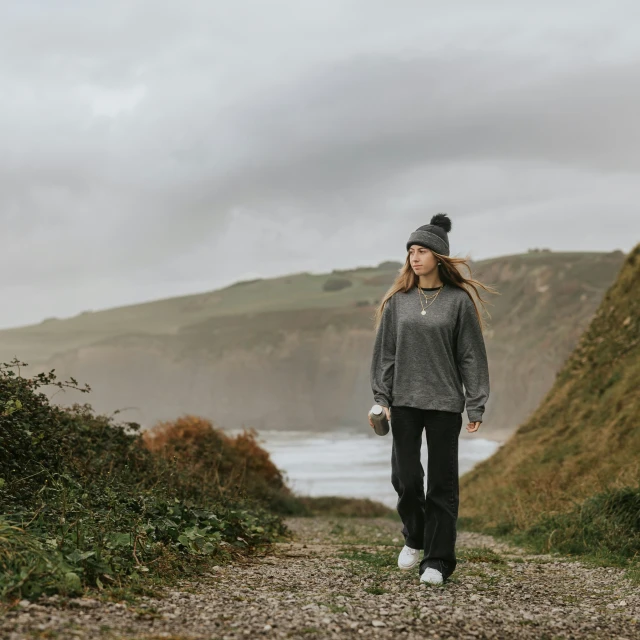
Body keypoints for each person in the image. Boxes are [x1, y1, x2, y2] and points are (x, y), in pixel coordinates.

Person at [368, 213, 497, 585]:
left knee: (442, 485)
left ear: (438, 257)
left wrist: (476, 403)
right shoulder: (398, 302)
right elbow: (386, 353)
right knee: (406, 478)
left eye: (422, 250)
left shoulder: (458, 302)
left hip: (444, 404)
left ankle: (437, 561)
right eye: (411, 251)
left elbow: (471, 356)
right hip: (404, 402)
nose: (414, 257)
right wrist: (382, 396)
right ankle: (414, 536)